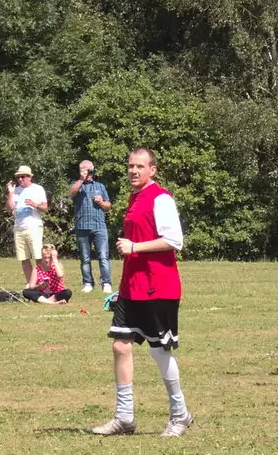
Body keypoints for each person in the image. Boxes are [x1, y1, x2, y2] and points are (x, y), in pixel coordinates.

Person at [92, 147, 194, 438]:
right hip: (131, 286)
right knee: (120, 345)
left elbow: (175, 240)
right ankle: (124, 417)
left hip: (158, 286)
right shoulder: (134, 198)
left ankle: (180, 414)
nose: (133, 171)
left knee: (160, 350)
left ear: (153, 170)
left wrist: (136, 247)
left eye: (140, 166)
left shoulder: (160, 198)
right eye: (130, 166)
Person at [68, 159, 113, 294]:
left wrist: (101, 202)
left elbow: (108, 206)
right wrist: (81, 180)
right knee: (85, 258)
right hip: (82, 226)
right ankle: (87, 283)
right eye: (84, 170)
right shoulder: (77, 185)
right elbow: (71, 194)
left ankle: (106, 283)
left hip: (99, 226)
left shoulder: (100, 186)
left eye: (89, 170)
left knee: (103, 256)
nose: (88, 173)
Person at [7, 165, 49, 287]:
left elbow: (45, 208)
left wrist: (34, 204)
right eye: (18, 177)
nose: (20, 179)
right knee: (23, 258)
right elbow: (9, 208)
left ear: (30, 177)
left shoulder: (38, 189)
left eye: (23, 176)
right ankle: (31, 283)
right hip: (19, 228)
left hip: (33, 226)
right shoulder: (16, 191)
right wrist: (10, 193)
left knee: (38, 256)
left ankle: (43, 281)